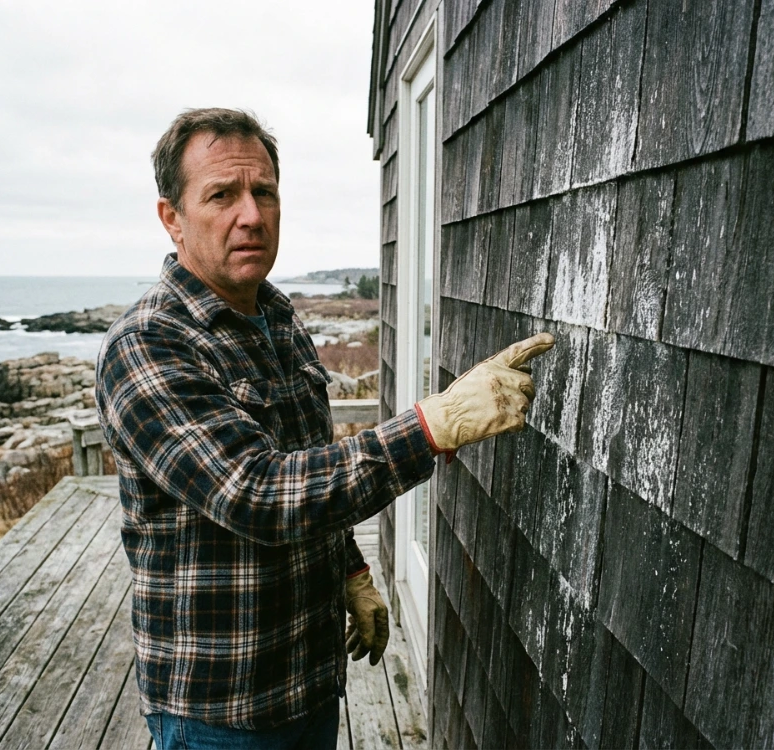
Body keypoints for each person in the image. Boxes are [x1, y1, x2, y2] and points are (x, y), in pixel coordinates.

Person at [95, 107, 554, 750]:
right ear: (171, 217)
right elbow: (259, 494)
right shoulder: (148, 345)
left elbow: (312, 465)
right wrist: (431, 425)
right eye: (221, 195)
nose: (250, 215)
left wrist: (352, 574)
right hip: (222, 711)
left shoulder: (278, 319)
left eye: (264, 193)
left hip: (308, 677)